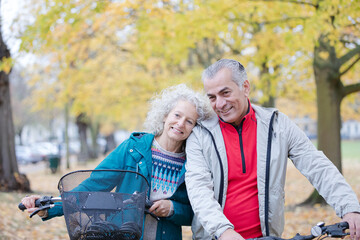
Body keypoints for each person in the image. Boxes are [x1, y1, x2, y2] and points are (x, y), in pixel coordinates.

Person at [184, 59, 360, 240]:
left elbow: (317, 165)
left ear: (245, 87)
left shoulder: (277, 124)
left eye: (225, 93)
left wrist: (350, 207)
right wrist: (224, 232)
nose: (219, 104)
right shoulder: (200, 135)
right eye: (212, 97)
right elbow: (199, 189)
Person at [21, 84, 213, 240]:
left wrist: (173, 209)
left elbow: (197, 212)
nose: (180, 123)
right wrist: (48, 208)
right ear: (165, 116)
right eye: (177, 115)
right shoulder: (133, 148)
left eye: (190, 121)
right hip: (123, 235)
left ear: (195, 128)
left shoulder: (194, 163)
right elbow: (93, 186)